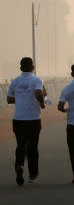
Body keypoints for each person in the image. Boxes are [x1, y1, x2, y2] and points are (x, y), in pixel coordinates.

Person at [7, 57, 46, 185]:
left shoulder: (15, 81)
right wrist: (41, 103)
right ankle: (32, 174)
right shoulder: (36, 79)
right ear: (33, 67)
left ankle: (19, 166)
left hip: (18, 119)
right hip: (33, 119)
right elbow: (39, 93)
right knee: (33, 147)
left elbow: (9, 99)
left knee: (20, 145)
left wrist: (21, 98)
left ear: (20, 68)